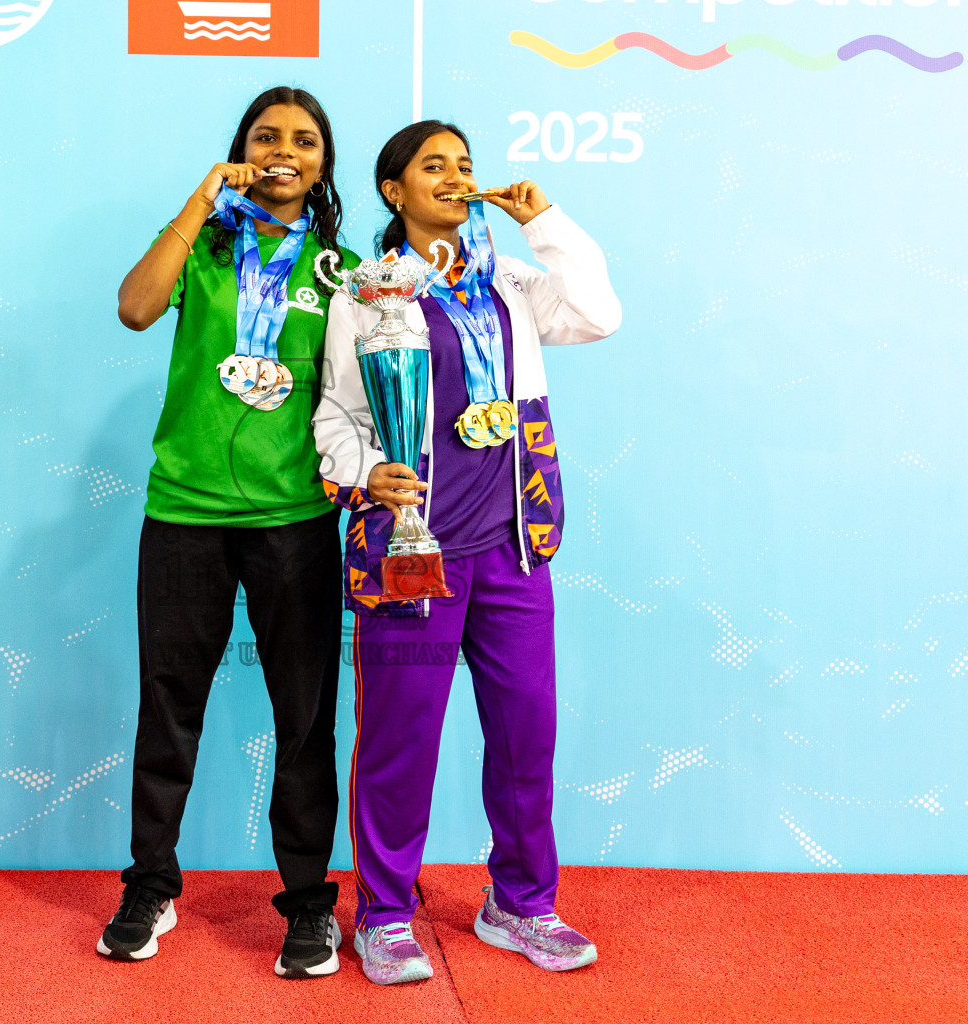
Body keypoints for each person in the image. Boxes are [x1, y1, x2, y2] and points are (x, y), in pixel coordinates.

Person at [312, 120, 622, 985]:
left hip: (513, 551)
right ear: (393, 192)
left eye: (466, 165)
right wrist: (369, 470)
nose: (456, 177)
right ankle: (382, 914)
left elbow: (600, 313)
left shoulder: (512, 283)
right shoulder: (368, 294)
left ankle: (520, 903)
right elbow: (333, 419)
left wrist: (546, 220)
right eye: (433, 166)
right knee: (400, 739)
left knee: (527, 734)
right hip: (411, 556)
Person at [101, 86, 360, 979]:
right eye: (265, 136)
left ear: (324, 163)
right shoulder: (205, 250)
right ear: (240, 149)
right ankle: (150, 884)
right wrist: (201, 198)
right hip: (185, 512)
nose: (285, 150)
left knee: (307, 720)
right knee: (168, 708)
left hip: (295, 520)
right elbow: (136, 308)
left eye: (304, 140)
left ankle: (310, 906)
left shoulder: (344, 271)